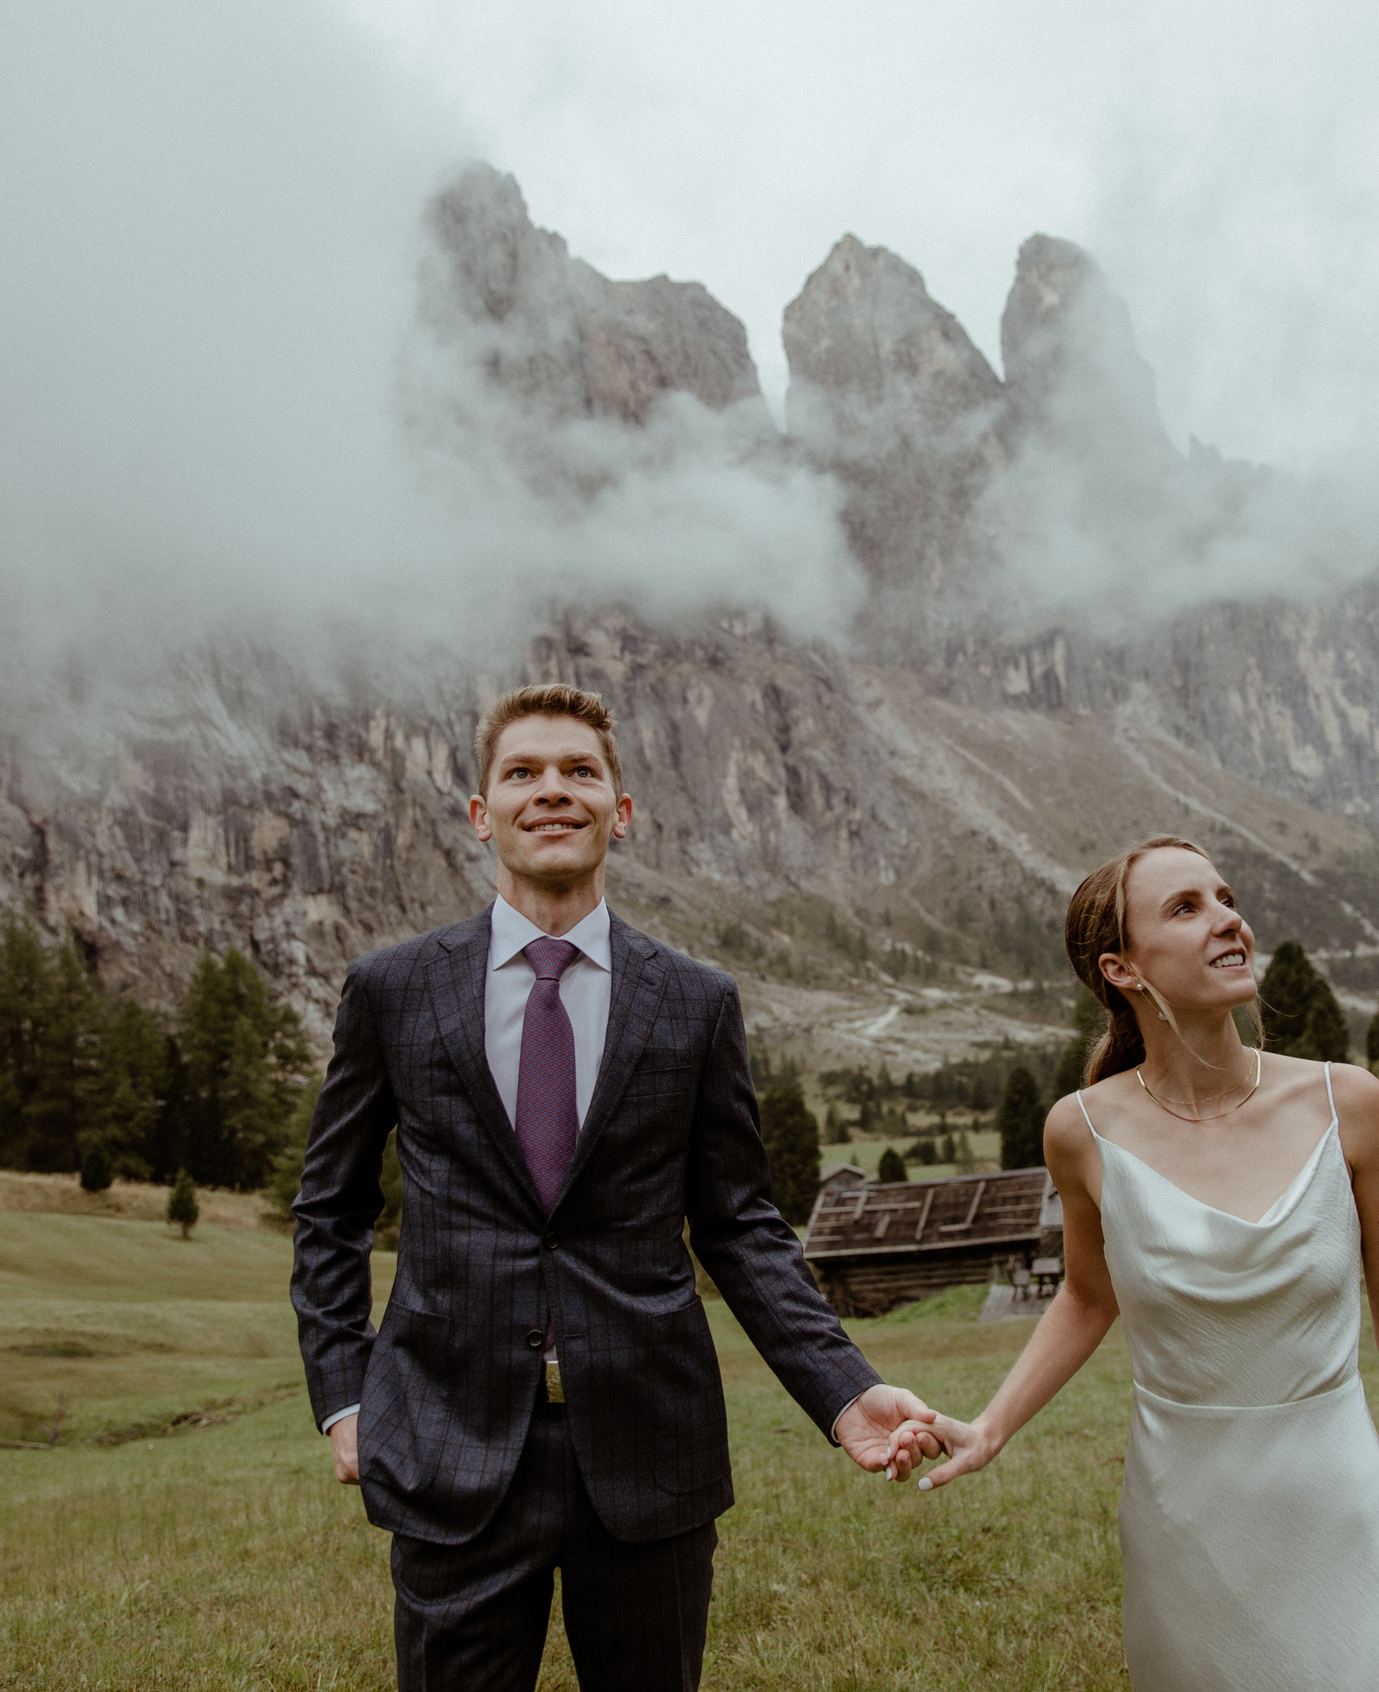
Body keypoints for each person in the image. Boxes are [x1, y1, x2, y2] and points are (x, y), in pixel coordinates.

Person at [289, 682, 941, 1692]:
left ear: (620, 812)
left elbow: (739, 1225)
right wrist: (342, 1396)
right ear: (481, 814)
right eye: (523, 773)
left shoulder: (694, 1002)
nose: (552, 791)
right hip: (448, 1451)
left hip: (650, 1456)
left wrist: (844, 1389)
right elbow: (329, 1209)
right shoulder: (392, 989)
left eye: (579, 772)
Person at [904, 834, 1379, 1689]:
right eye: (1186, 908)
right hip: (1184, 1526)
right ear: (1123, 968)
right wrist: (991, 1426)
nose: (1229, 921)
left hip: (1340, 1508)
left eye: (1225, 898)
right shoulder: (1081, 1131)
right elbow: (1085, 1296)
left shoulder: (1350, 1105)